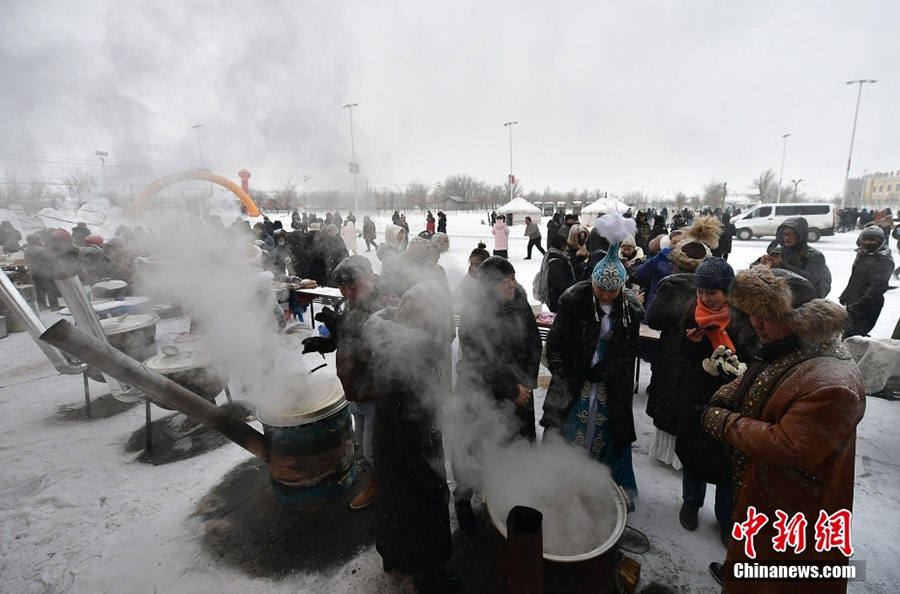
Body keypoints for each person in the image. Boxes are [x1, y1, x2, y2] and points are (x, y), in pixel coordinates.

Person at [702, 266, 865, 593]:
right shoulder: (792, 345)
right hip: (765, 491)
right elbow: (754, 380)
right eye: (753, 314)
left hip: (795, 508)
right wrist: (726, 396)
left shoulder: (833, 382)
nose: (756, 324)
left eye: (767, 316)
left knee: (780, 578)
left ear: (799, 318)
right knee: (751, 561)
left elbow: (789, 444)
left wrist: (723, 421)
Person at [541, 213, 644, 506]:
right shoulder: (574, 300)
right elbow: (556, 345)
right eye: (601, 289)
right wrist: (566, 371)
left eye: (613, 291)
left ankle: (604, 486)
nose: (606, 295)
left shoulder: (630, 310)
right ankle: (559, 481)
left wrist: (608, 370)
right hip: (574, 380)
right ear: (593, 281)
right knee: (567, 428)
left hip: (610, 384)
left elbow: (628, 350)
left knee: (609, 431)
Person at [362, 282, 455, 590]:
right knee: (422, 511)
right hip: (409, 450)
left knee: (394, 506)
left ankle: (393, 555)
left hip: (388, 443)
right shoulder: (413, 355)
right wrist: (434, 480)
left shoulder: (388, 337)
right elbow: (414, 427)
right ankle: (430, 575)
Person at [301, 256, 399, 511]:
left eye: (351, 286)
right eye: (342, 288)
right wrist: (326, 342)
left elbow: (381, 346)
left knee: (373, 449)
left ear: (368, 278)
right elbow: (348, 337)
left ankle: (384, 488)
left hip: (375, 391)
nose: (346, 293)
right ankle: (378, 478)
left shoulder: (384, 303)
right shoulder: (353, 303)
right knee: (363, 442)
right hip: (354, 389)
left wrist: (344, 328)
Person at [672, 258, 757, 546]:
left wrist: (737, 364)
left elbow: (753, 353)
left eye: (712, 293)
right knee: (694, 452)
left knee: (726, 458)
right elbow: (679, 352)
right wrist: (691, 344)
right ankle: (691, 503)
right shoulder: (691, 313)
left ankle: (726, 517)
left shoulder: (744, 316)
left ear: (727, 292)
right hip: (696, 393)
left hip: (733, 398)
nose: (705, 299)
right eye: (700, 293)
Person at [457, 256, 542, 442]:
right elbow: (481, 361)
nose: (512, 284)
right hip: (489, 395)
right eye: (505, 281)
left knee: (522, 448)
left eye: (513, 277)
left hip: (522, 391)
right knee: (494, 449)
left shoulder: (519, 302)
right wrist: (512, 390)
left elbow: (534, 342)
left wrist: (526, 383)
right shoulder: (474, 314)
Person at [840, 226, 894, 339]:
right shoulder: (863, 255)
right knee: (847, 334)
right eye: (865, 239)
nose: (867, 242)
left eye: (872, 240)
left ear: (880, 242)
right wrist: (846, 294)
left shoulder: (883, 259)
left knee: (854, 336)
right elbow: (855, 278)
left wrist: (860, 304)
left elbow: (878, 286)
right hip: (854, 302)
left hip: (868, 306)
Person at [759, 217, 832, 298]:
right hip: (781, 294)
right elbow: (754, 270)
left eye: (791, 234)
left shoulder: (814, 256)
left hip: (806, 297)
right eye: (784, 234)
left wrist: (781, 265)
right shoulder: (780, 251)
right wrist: (763, 262)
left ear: (801, 235)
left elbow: (809, 280)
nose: (786, 238)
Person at [23, 233, 61, 310]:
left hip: (34, 272)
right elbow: (51, 260)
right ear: (36, 240)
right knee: (50, 288)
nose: (41, 240)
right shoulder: (42, 250)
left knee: (39, 289)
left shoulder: (27, 250)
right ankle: (54, 305)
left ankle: (42, 305)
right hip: (45, 271)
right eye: (40, 239)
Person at [452, 242, 490, 315]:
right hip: (469, 314)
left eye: (477, 265)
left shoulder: (491, 280)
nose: (473, 268)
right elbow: (458, 295)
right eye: (471, 264)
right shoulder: (468, 277)